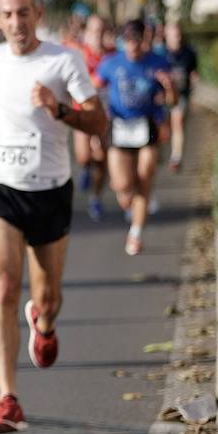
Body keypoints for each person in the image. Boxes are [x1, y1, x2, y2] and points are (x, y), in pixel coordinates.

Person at [0, 0, 107, 434]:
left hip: (50, 189)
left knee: (48, 296)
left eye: (24, 13)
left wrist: (58, 108)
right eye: (8, 15)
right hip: (1, 185)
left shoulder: (64, 61)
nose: (17, 22)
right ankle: (8, 399)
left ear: (37, 13)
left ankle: (44, 321)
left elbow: (98, 121)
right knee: (3, 286)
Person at [97, 19, 175, 256]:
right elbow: (93, 89)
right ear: (123, 41)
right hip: (120, 126)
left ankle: (136, 233)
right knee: (122, 185)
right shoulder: (110, 64)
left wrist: (169, 87)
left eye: (137, 40)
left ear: (146, 39)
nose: (133, 46)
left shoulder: (159, 63)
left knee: (145, 175)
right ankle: (127, 197)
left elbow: (173, 102)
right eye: (128, 41)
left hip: (147, 125)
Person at [65, 14, 113, 221]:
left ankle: (95, 197)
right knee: (84, 155)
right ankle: (85, 167)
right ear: (86, 32)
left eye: (101, 31)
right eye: (93, 31)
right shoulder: (78, 53)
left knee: (102, 157)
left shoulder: (113, 55)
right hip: (82, 113)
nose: (98, 35)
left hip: (106, 115)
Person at [155, 20, 199, 172]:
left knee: (178, 123)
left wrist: (194, 79)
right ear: (166, 35)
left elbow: (194, 71)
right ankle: (158, 151)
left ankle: (176, 157)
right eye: (173, 35)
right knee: (164, 127)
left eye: (179, 34)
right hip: (162, 97)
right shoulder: (159, 53)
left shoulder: (189, 52)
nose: (177, 38)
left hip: (182, 94)